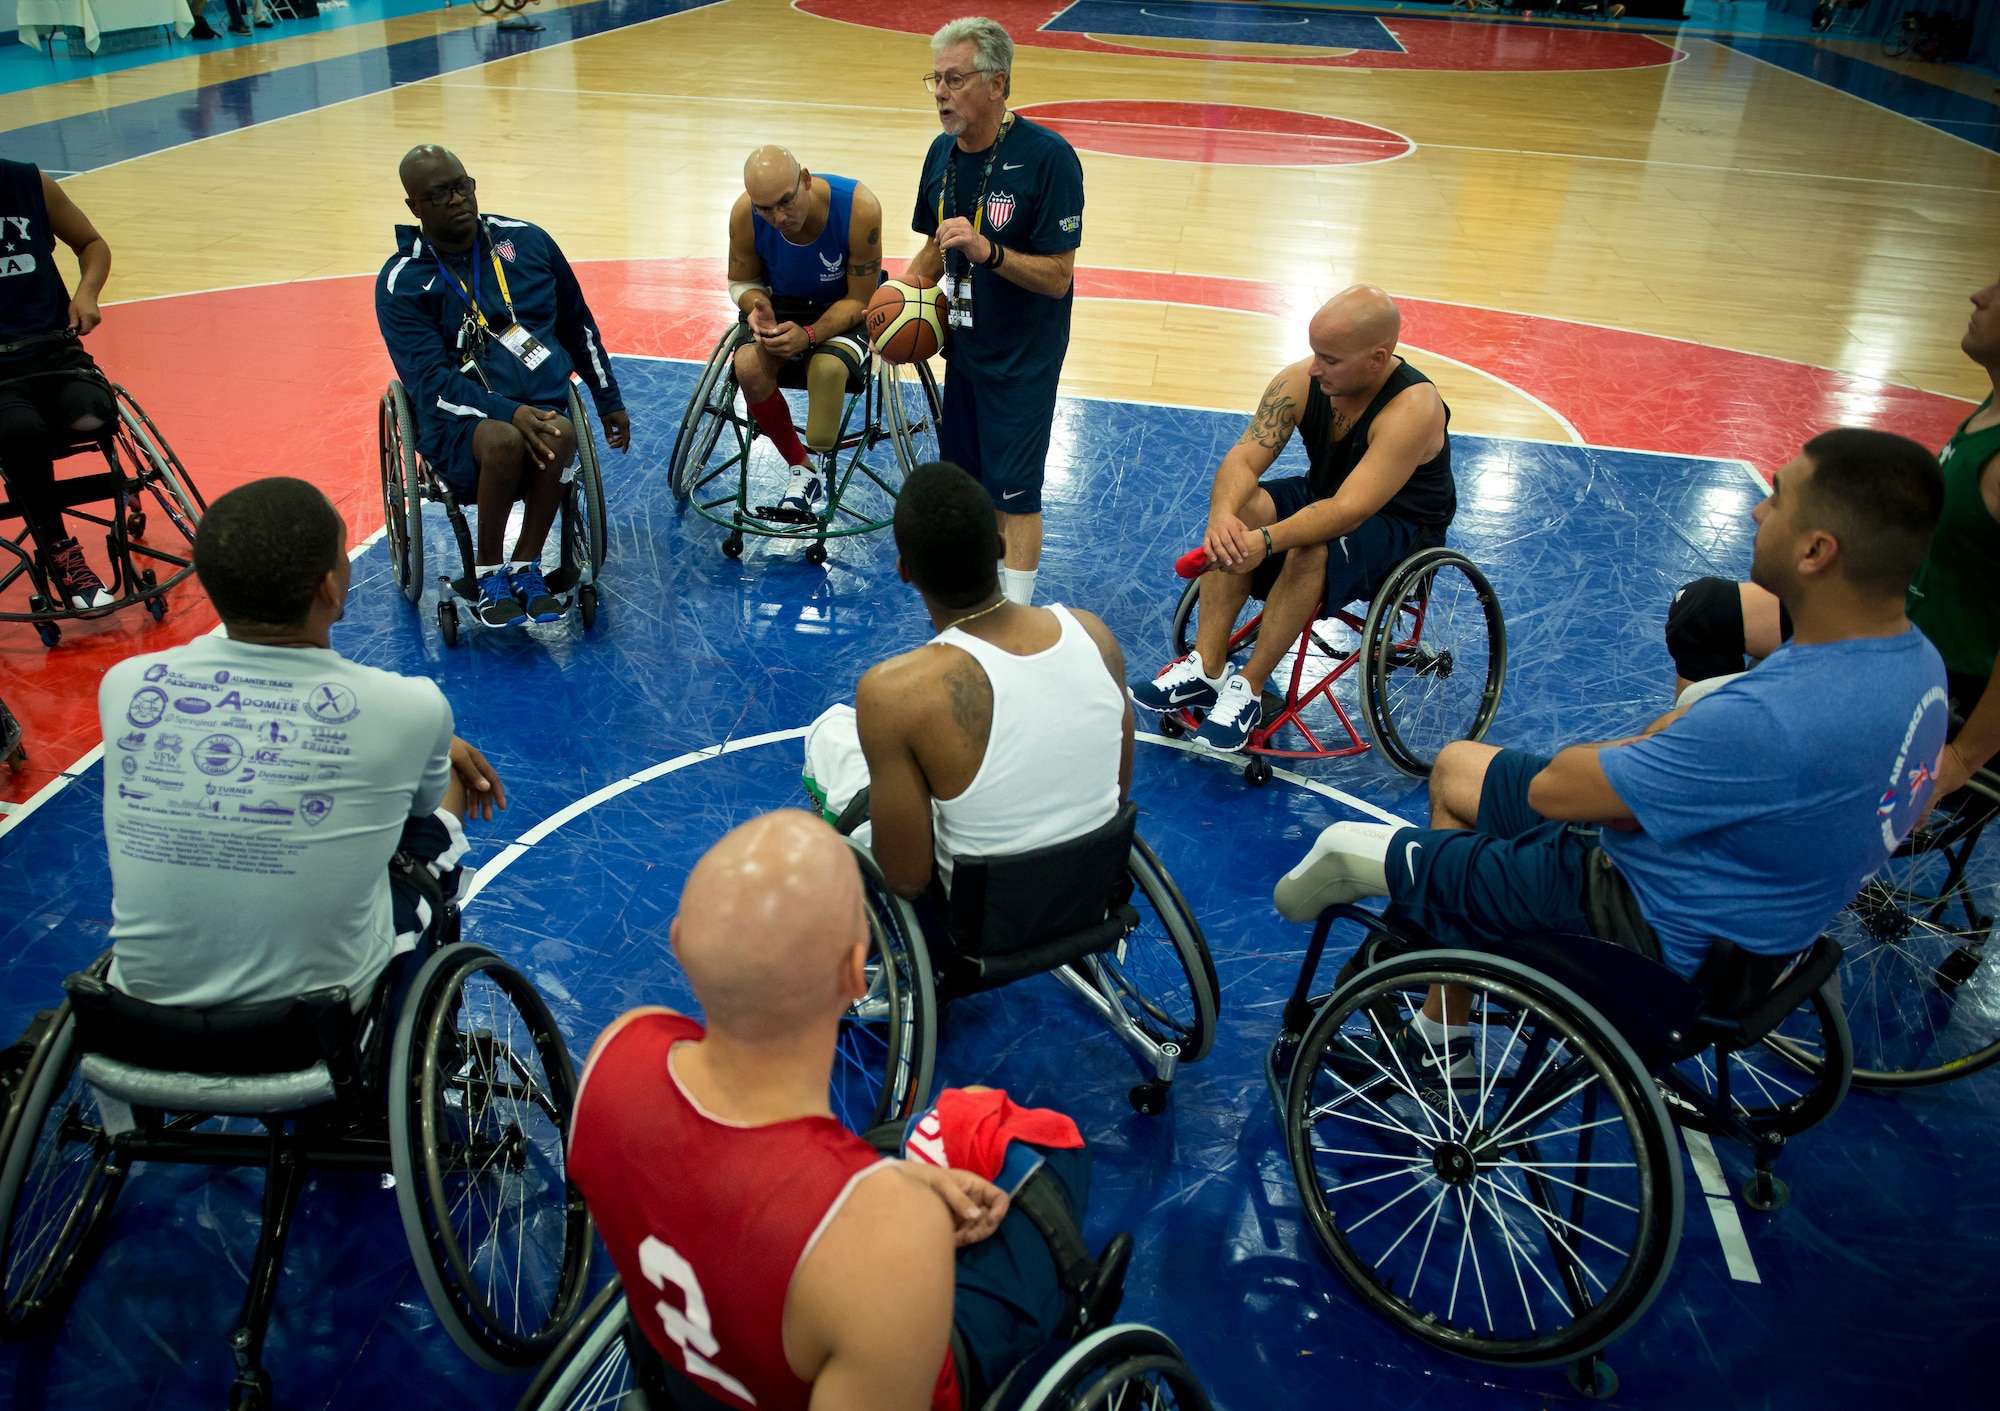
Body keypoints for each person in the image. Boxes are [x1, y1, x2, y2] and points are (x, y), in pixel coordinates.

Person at [1273, 429, 1948, 1056]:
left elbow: (1562, 792)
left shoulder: (1771, 718)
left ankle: (1422, 973)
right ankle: (1443, 1032)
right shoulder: (1919, 667)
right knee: (1455, 769)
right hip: (1756, 930)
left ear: (1816, 550)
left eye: (1778, 496)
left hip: (1636, 923)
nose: (1756, 514)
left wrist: (1664, 732)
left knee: (1337, 856)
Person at [568, 810, 1106, 1410]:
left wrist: (891, 1187)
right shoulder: (884, 1238)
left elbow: (723, 1187)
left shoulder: (616, 1055)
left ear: (677, 946)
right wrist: (892, 1213)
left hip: (683, 1366)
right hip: (865, 1330)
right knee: (1041, 1151)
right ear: (856, 975)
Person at [98, 477, 505, 1012]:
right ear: (329, 588)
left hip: (141, 1011)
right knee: (446, 782)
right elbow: (421, 811)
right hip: (319, 1013)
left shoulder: (125, 685)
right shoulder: (410, 705)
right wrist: (437, 739)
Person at [1667, 275, 2000, 803]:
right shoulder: (1993, 408)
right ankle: (1716, 787)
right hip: (1889, 631)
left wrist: (1959, 759)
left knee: (1704, 711)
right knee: (1705, 609)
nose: (1978, 293)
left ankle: (1713, 783)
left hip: (1941, 687)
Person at [1128, 285, 1456, 754]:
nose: (1315, 367)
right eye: (1314, 352)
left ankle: (1250, 689)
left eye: (1331, 358)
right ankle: (1207, 667)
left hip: (1399, 527)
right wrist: (1223, 516)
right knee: (1244, 511)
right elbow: (1243, 460)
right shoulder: (1302, 381)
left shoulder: (1413, 409)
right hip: (1327, 496)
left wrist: (1265, 541)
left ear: (1378, 358)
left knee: (1309, 544)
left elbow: (1348, 511)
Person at [799, 461, 1132, 900]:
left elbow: (907, 879)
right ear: (998, 546)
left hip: (980, 918)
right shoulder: (1094, 634)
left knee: (828, 732)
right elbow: (1118, 789)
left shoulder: (894, 694)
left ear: (904, 571)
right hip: (1089, 885)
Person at [375, 145, 631, 629]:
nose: (457, 200)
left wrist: (607, 397)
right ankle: (488, 570)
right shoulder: (402, 282)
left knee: (557, 432)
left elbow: (578, 324)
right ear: (415, 208)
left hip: (541, 404)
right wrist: (505, 410)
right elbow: (430, 383)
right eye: (439, 194)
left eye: (462, 185)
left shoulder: (526, 242)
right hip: (458, 424)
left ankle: (526, 566)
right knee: (503, 437)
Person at [905, 16, 1084, 608]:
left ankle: (1018, 622)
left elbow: (1058, 278)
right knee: (966, 492)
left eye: (954, 80)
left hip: (1022, 359)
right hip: (965, 347)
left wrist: (991, 252)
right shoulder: (940, 154)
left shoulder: (1049, 159)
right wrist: (899, 297)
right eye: (935, 79)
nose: (940, 93)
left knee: (1014, 496)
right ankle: (975, 607)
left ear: (997, 84)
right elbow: (936, 244)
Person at [728, 145, 884, 520]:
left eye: (786, 202)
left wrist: (811, 335)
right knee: (747, 365)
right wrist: (756, 306)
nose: (778, 217)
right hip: (782, 305)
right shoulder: (744, 215)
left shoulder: (860, 208)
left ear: (806, 180)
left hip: (845, 306)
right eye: (765, 209)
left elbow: (860, 299)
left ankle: (817, 451)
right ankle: (801, 468)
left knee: (827, 371)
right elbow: (740, 281)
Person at [0, 158, 118, 612]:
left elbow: (91, 242)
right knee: (21, 435)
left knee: (92, 413)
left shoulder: (29, 183)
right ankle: (60, 548)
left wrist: (85, 293)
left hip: (53, 351)